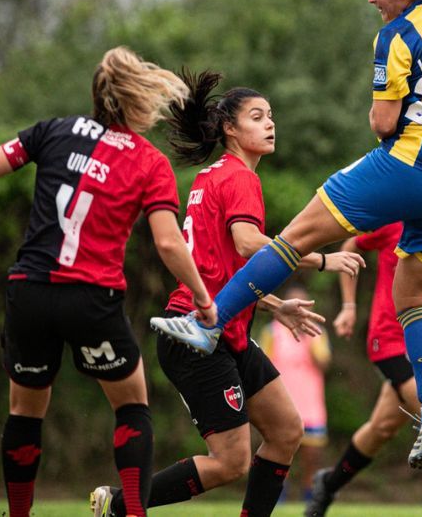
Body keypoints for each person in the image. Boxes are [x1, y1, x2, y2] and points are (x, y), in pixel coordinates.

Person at [153, 0, 422, 472]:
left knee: (291, 238)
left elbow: (384, 124)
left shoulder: (396, 35)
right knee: (413, 300)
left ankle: (208, 325)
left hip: (406, 167)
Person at [0, 47, 214, 517]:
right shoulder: (150, 163)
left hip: (29, 291)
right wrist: (201, 296)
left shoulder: (54, 131)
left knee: (25, 411)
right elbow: (170, 246)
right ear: (139, 100)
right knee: (132, 407)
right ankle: (132, 513)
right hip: (91, 298)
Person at [92, 72, 363, 517]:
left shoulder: (211, 176)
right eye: (257, 117)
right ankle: (119, 507)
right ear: (230, 130)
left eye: (271, 116)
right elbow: (248, 244)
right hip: (196, 335)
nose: (270, 124)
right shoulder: (240, 178)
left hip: (224, 328)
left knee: (285, 431)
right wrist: (321, 259)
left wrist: (275, 306)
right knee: (231, 461)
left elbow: (220, 268)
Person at [306, 221, 422, 517]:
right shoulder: (397, 221)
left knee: (381, 428)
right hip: (388, 340)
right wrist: (349, 306)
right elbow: (349, 247)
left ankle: (329, 484)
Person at [257, 283, 332, 502]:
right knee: (279, 452)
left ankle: (309, 496)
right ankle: (277, 494)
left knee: (312, 456)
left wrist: (308, 337)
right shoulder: (271, 331)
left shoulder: (317, 331)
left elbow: (324, 363)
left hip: (311, 404)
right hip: (282, 402)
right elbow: (262, 366)